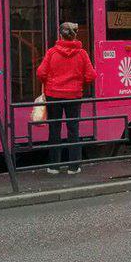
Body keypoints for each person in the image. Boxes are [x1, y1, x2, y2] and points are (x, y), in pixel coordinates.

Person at [36, 22, 96, 174]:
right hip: (74, 96)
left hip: (53, 95)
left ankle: (53, 166)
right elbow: (91, 75)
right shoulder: (82, 54)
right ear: (75, 35)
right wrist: (79, 84)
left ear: (60, 35)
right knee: (73, 129)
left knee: (54, 130)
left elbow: (40, 73)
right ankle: (73, 167)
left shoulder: (52, 53)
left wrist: (51, 82)